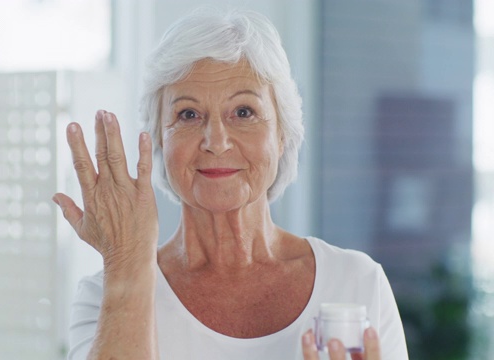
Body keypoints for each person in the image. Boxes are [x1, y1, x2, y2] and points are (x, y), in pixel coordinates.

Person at [52, 9, 408, 360]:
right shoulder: (103, 296)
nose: (216, 141)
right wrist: (128, 261)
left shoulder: (358, 283)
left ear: (282, 135)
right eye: (188, 115)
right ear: (160, 140)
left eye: (244, 112)